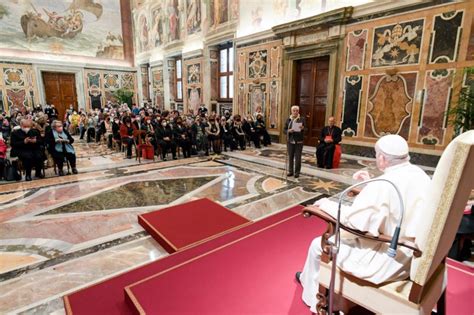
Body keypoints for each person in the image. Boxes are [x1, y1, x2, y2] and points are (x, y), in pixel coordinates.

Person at [296, 135, 431, 313]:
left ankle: (315, 298)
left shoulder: (383, 185)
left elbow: (356, 222)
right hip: (413, 254)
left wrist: (326, 204)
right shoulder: (420, 175)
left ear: (382, 158)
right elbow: (392, 206)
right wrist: (370, 185)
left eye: (376, 155)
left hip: (387, 259)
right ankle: (319, 285)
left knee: (317, 245)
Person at [284, 106, 305, 178]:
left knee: (298, 158)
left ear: (298, 111)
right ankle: (290, 171)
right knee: (290, 157)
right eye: (294, 111)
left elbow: (307, 129)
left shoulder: (302, 119)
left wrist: (303, 128)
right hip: (290, 141)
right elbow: (284, 130)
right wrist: (288, 131)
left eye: (296, 111)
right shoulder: (288, 119)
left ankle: (297, 172)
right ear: (291, 111)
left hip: (299, 141)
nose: (295, 112)